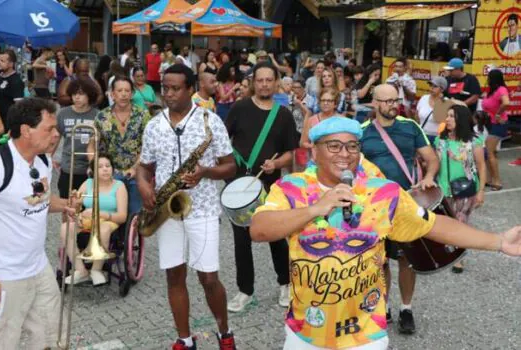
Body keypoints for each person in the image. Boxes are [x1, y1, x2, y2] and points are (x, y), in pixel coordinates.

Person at [249, 116, 521, 350]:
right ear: (315, 152)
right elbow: (259, 229)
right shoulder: (291, 188)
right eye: (333, 145)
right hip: (306, 331)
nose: (344, 154)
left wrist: (497, 241)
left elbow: (434, 225)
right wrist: (316, 208)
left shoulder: (383, 193)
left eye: (352, 146)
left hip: (366, 333)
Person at [137, 64, 237, 350]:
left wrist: (204, 172)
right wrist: (144, 186)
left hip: (202, 208)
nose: (167, 94)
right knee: (174, 275)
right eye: (164, 88)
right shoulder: (154, 125)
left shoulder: (210, 121)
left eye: (175, 88)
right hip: (167, 212)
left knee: (208, 277)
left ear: (191, 89)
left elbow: (230, 166)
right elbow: (144, 167)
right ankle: (184, 338)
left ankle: (224, 332)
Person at [0, 97, 76, 349]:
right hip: (6, 276)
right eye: (49, 129)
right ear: (26, 131)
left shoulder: (42, 162)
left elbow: (37, 199)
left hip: (39, 268)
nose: (56, 135)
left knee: (50, 337)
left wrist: (64, 204)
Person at [361, 84, 439, 335]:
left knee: (407, 259)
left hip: (406, 204)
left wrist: (428, 176)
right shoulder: (361, 132)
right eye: (387, 101)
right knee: (379, 260)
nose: (393, 105)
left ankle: (406, 308)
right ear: (375, 103)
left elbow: (432, 158)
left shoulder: (410, 127)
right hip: (375, 208)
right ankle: (382, 307)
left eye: (396, 100)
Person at [225, 62, 298, 313]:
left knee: (276, 236)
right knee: (241, 240)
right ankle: (245, 290)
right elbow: (225, 141)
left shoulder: (284, 115)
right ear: (253, 82)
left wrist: (276, 163)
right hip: (238, 185)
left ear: (276, 82)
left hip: (270, 186)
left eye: (269, 80)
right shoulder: (239, 108)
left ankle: (285, 284)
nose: (265, 84)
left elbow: (291, 155)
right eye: (260, 80)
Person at [435, 105, 487, 273]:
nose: (447, 119)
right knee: (445, 222)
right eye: (447, 115)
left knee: (460, 222)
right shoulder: (440, 140)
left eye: (452, 116)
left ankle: (459, 257)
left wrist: (481, 191)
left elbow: (481, 166)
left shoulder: (474, 141)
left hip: (465, 190)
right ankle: (449, 249)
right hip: (443, 189)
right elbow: (435, 164)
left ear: (461, 120)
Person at [88, 76, 151, 215]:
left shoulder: (143, 115)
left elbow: (148, 147)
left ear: (132, 93)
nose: (123, 94)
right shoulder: (102, 116)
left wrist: (135, 168)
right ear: (112, 94)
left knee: (135, 216)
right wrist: (95, 166)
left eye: (127, 90)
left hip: (136, 175)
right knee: (110, 215)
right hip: (109, 176)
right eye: (119, 90)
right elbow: (91, 146)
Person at [62, 155, 128, 285]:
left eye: (108, 166)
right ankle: (81, 271)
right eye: (100, 167)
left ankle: (96, 269)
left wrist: (101, 214)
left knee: (102, 229)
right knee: (65, 228)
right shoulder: (88, 184)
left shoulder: (119, 186)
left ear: (112, 169)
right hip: (87, 219)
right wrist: (75, 205)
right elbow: (76, 204)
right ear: (93, 171)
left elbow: (122, 216)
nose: (105, 169)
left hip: (109, 220)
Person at [53, 78, 100, 202]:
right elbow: (55, 138)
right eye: (74, 94)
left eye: (81, 94)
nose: (77, 97)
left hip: (90, 168)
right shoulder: (63, 113)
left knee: (87, 208)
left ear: (89, 95)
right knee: (67, 206)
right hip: (68, 168)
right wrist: (49, 159)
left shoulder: (98, 115)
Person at [482, 69, 510, 191]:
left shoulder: (501, 90)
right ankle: (488, 178)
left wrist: (498, 114)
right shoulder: (492, 91)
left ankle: (497, 181)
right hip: (489, 124)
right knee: (489, 153)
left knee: (489, 152)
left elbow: (506, 103)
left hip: (498, 125)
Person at [0, 49, 24, 132]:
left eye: (2, 61)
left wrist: (13, 128)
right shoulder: (0, 76)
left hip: (7, 125)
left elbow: (19, 107)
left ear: (11, 64)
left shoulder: (16, 81)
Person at [416, 76, 448, 144]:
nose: (431, 88)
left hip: (438, 138)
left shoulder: (446, 102)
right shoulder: (424, 98)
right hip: (422, 135)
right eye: (430, 85)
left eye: (435, 86)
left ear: (442, 89)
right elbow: (417, 116)